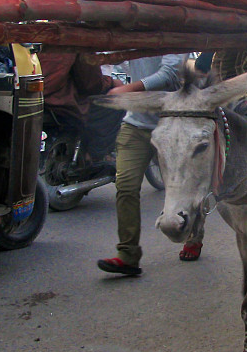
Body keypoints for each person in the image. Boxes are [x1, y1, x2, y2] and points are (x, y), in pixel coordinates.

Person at [97, 53, 190, 277]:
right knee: (126, 186)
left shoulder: (172, 28)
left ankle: (195, 235)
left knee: (182, 191)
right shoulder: (135, 30)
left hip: (171, 125)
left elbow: (169, 74)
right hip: (135, 124)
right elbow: (114, 57)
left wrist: (130, 89)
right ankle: (128, 255)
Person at [37, 52, 125, 171]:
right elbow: (91, 84)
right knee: (118, 103)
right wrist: (112, 83)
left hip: (39, 97)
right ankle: (95, 156)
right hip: (62, 102)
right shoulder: (79, 42)